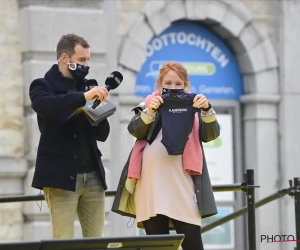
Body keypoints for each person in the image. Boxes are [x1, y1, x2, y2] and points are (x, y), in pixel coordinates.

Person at [113, 62, 220, 250]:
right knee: (158, 246)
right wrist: (151, 111)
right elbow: (134, 130)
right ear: (159, 83)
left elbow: (210, 135)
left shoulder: (195, 105)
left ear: (185, 85)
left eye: (179, 84)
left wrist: (206, 110)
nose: (173, 88)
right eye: (168, 83)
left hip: (183, 184)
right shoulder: (147, 104)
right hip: (151, 184)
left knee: (193, 244)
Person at [29, 34, 110, 239]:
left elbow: (103, 134)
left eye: (88, 60)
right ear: (65, 58)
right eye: (82, 60)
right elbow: (44, 106)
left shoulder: (89, 85)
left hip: (93, 176)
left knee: (97, 242)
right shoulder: (42, 85)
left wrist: (101, 111)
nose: (86, 65)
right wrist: (83, 98)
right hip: (60, 177)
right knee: (63, 242)